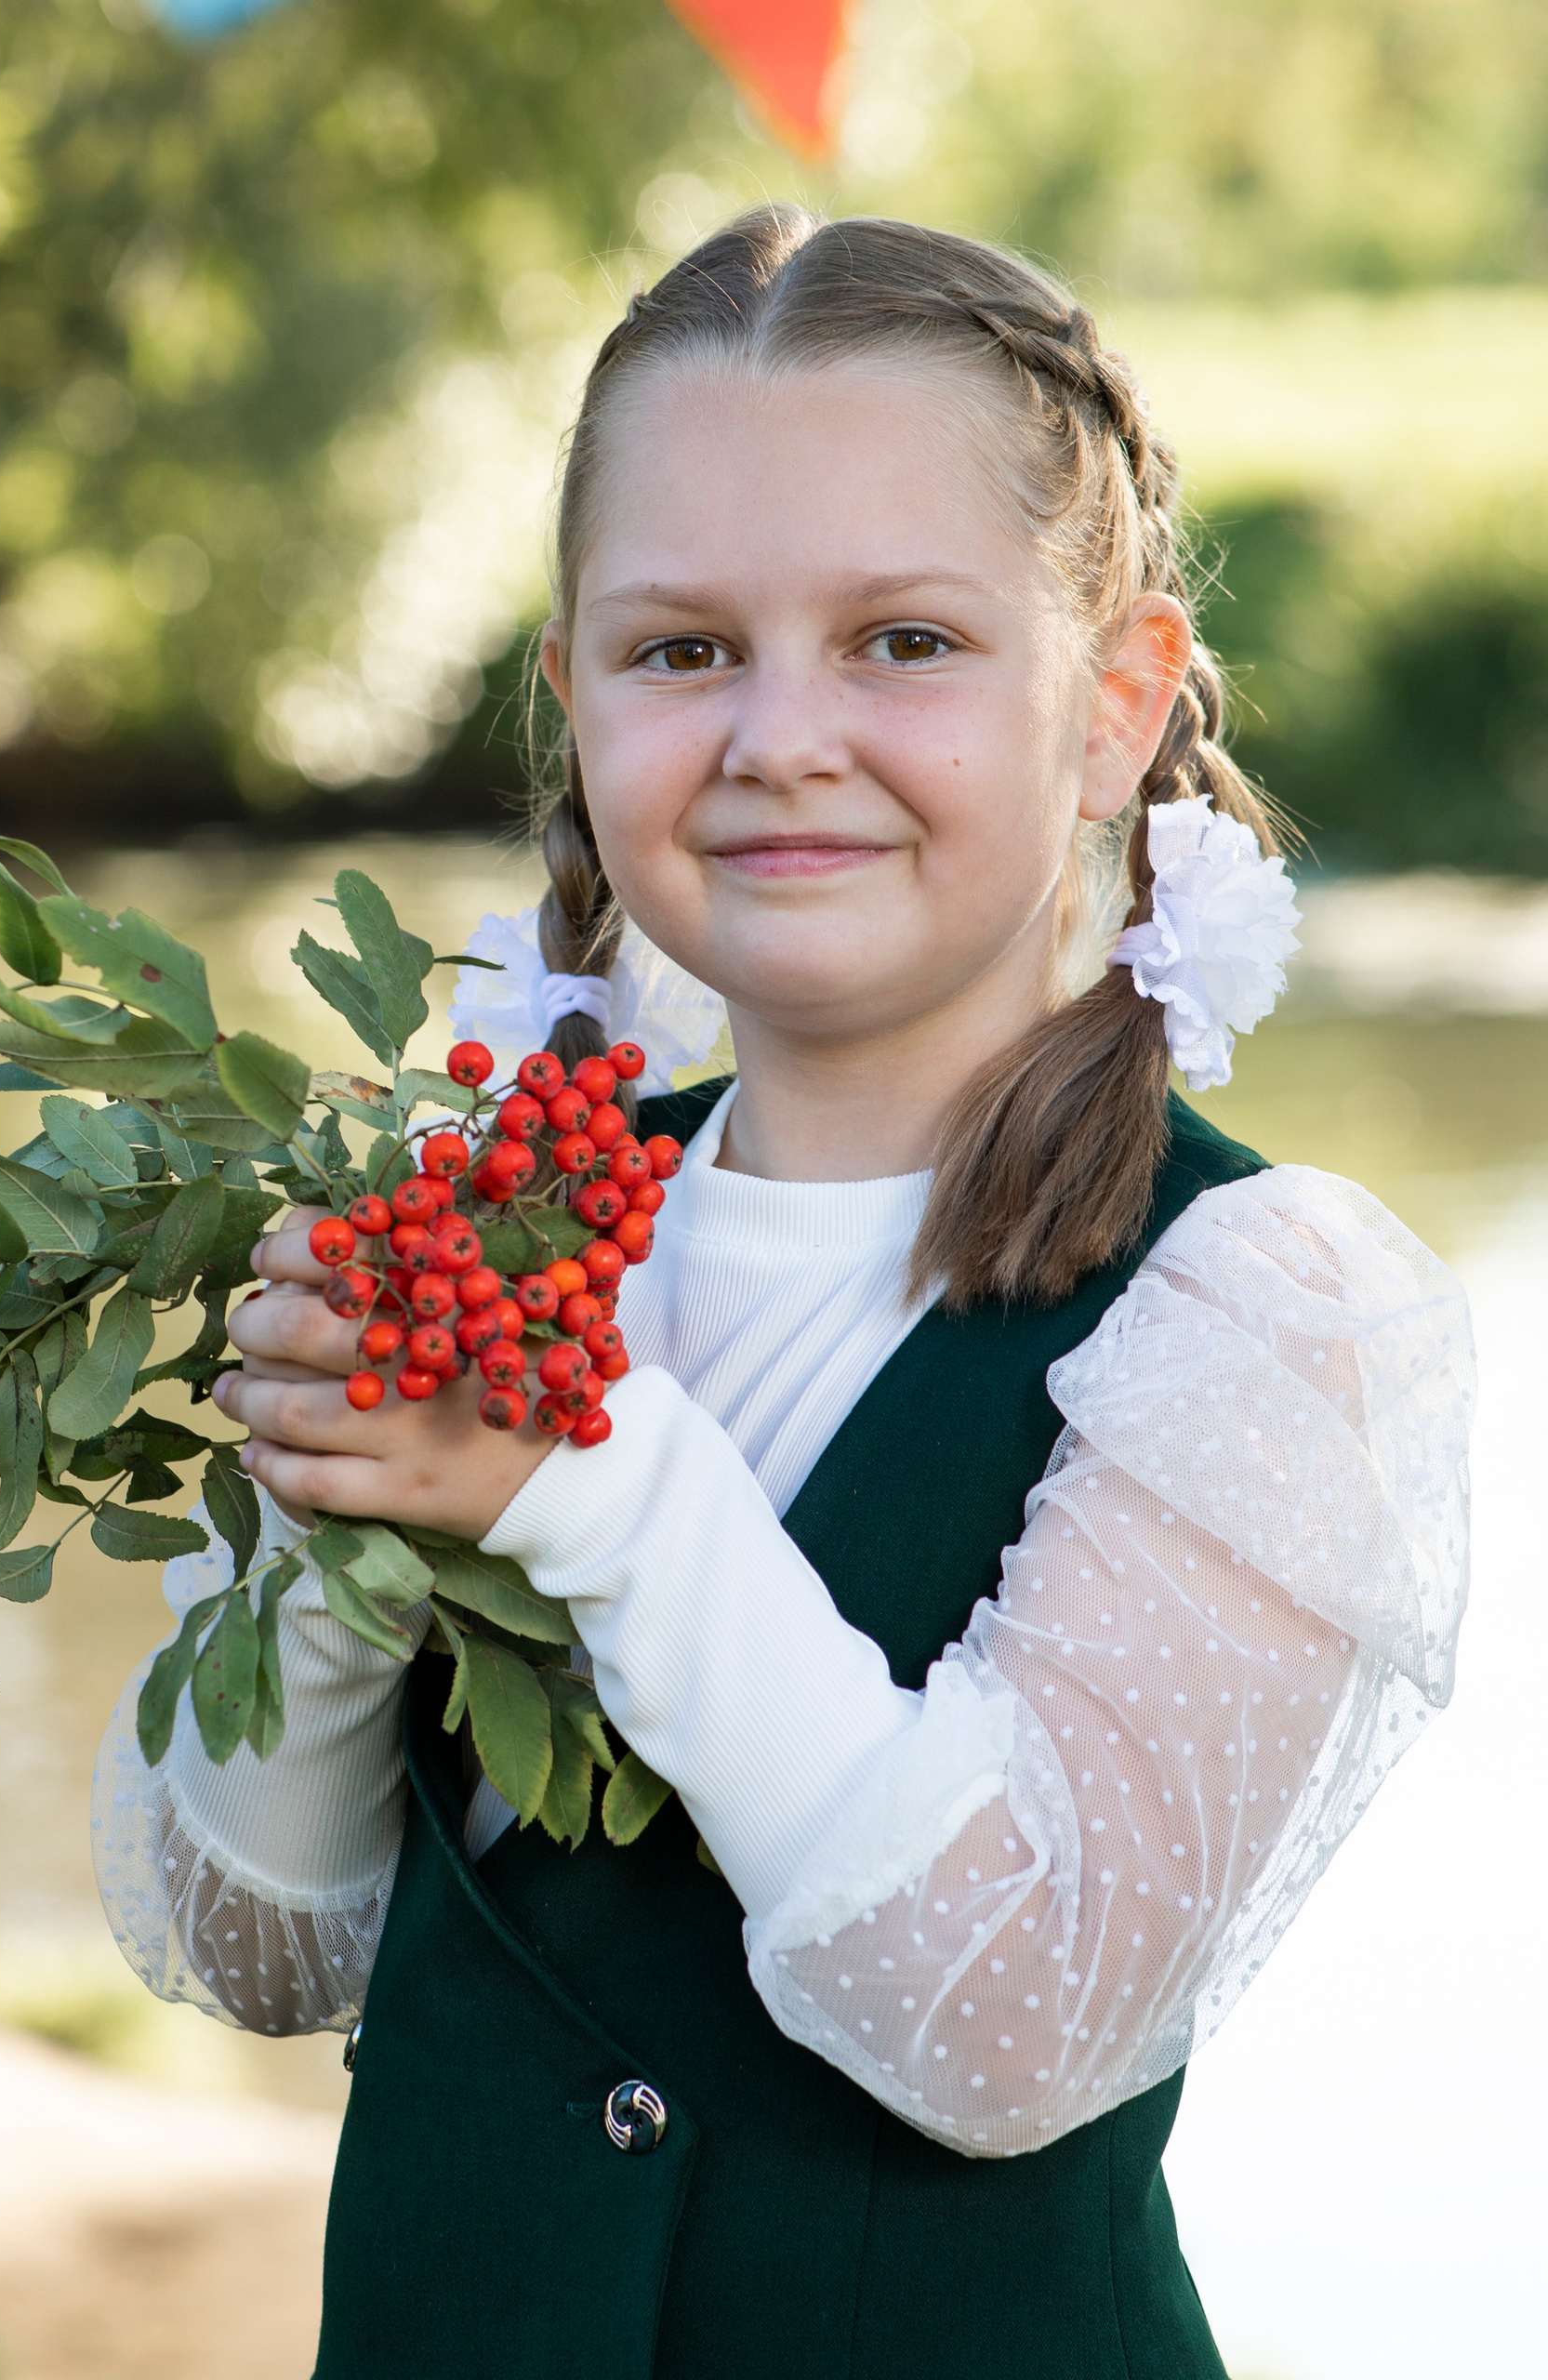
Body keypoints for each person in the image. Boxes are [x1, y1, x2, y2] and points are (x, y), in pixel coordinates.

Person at [89, 207, 1475, 2379]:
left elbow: (1003, 2013)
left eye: (903, 642)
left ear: (1111, 701)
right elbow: (253, 1939)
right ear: (569, 699)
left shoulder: (1259, 1310)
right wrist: (333, 1543)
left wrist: (584, 1482)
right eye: (680, 649)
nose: (778, 734)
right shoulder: (479, 1227)